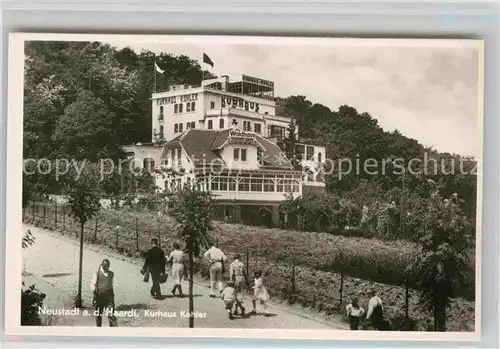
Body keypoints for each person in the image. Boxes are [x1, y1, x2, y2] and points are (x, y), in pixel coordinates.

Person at [90, 259, 117, 327]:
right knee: (98, 315)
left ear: (109, 266)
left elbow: (112, 284)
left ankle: (114, 331)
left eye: (107, 266)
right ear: (102, 265)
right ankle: (99, 330)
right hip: (99, 298)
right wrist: (94, 292)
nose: (106, 267)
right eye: (104, 266)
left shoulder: (111, 274)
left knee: (111, 315)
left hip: (109, 298)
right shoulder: (97, 273)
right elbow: (93, 284)